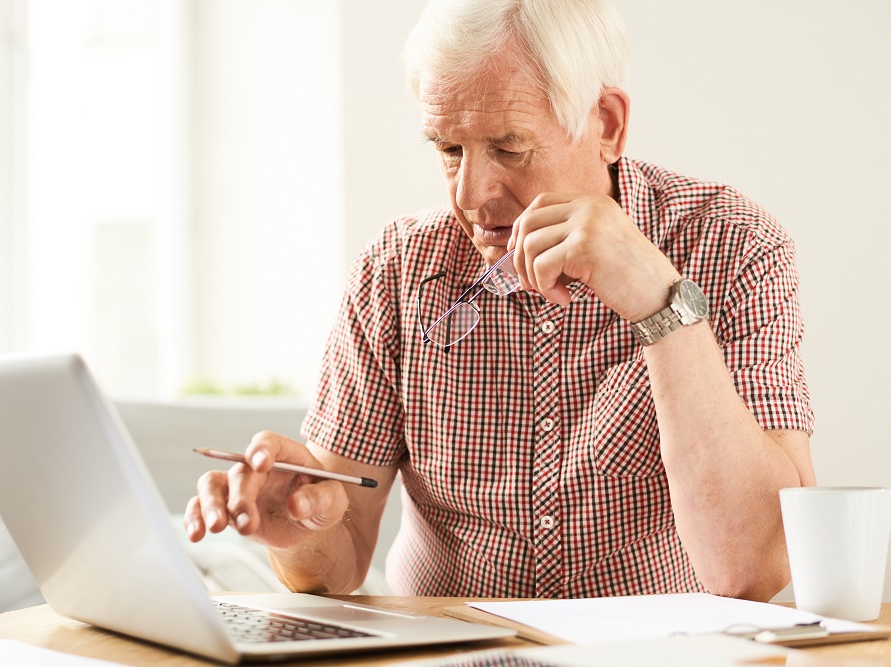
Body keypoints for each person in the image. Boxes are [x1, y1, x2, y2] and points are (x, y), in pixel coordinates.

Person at [184, 0, 815, 602]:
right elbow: (341, 551)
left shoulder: (734, 247)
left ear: (607, 125)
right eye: (448, 149)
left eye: (509, 147)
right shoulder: (398, 270)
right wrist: (298, 536)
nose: (471, 193)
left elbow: (753, 569)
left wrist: (661, 304)